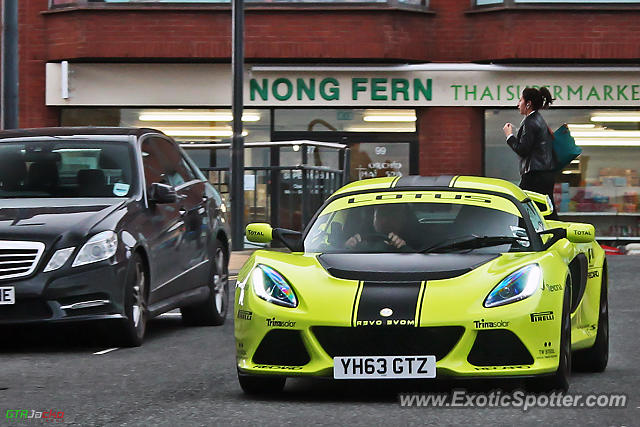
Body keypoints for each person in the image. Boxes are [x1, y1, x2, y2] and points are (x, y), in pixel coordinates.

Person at [503, 87, 559, 220]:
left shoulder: (530, 121)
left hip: (534, 175)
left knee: (521, 207)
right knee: (546, 211)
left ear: (528, 103)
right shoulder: (538, 120)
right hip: (544, 173)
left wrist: (509, 136)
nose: (518, 104)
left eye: (520, 100)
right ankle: (556, 235)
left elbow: (523, 150)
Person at [344, 204, 412, 250]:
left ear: (403, 218)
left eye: (392, 215)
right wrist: (348, 247)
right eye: (381, 214)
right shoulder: (359, 239)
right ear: (373, 218)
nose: (386, 220)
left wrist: (403, 248)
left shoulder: (416, 242)